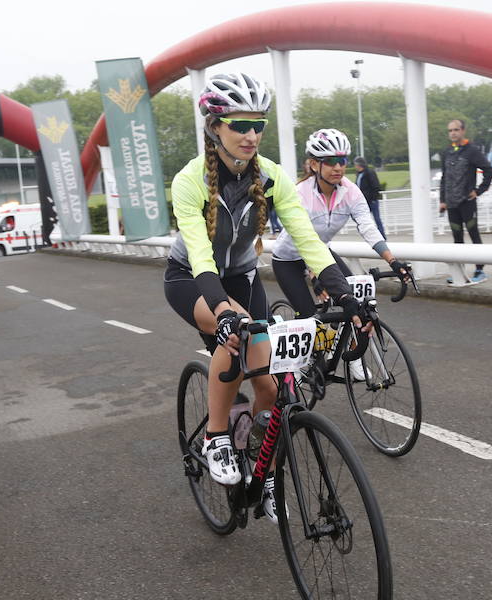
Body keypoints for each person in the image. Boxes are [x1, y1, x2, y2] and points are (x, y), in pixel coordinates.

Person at [163, 72, 360, 523]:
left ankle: (266, 476)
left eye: (258, 125)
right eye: (240, 125)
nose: (251, 135)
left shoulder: (271, 177)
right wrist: (221, 308)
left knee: (270, 384)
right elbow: (199, 254)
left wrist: (341, 289)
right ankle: (216, 436)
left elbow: (307, 238)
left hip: (244, 277)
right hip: (192, 280)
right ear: (215, 127)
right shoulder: (190, 180)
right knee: (231, 334)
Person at [272, 129, 412, 381]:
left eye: (342, 161)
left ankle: (352, 355)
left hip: (321, 253)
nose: (338, 167)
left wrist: (393, 260)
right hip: (289, 259)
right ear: (315, 164)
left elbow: (368, 227)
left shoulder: (350, 191)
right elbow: (303, 240)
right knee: (309, 318)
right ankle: (300, 367)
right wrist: (314, 278)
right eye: (331, 162)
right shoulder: (300, 193)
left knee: (353, 297)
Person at [439, 119, 492, 283]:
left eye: (456, 130)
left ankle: (480, 270)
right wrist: (442, 200)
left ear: (463, 131)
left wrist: (479, 190)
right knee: (457, 238)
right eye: (450, 131)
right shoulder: (447, 152)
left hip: (467, 202)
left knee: (473, 235)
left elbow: (489, 170)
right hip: (451, 203)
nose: (453, 133)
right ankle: (459, 272)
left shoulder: (472, 151)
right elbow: (444, 178)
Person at [353, 157, 385, 238]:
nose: (355, 166)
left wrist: (373, 198)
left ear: (359, 165)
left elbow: (375, 186)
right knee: (362, 219)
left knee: (377, 219)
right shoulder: (358, 174)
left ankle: (382, 236)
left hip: (371, 201)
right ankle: (370, 236)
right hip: (363, 202)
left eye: (356, 164)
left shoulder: (369, 172)